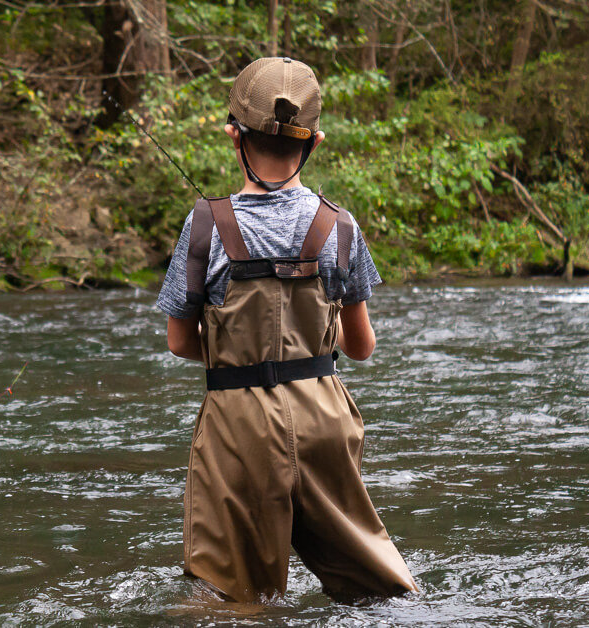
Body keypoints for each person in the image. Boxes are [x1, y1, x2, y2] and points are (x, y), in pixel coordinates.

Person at [154, 57, 418, 605]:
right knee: (375, 585)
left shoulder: (204, 223)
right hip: (325, 418)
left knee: (232, 596)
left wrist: (236, 348)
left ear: (234, 137)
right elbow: (362, 346)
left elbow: (181, 342)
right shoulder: (340, 226)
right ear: (314, 142)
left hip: (239, 425)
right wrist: (317, 336)